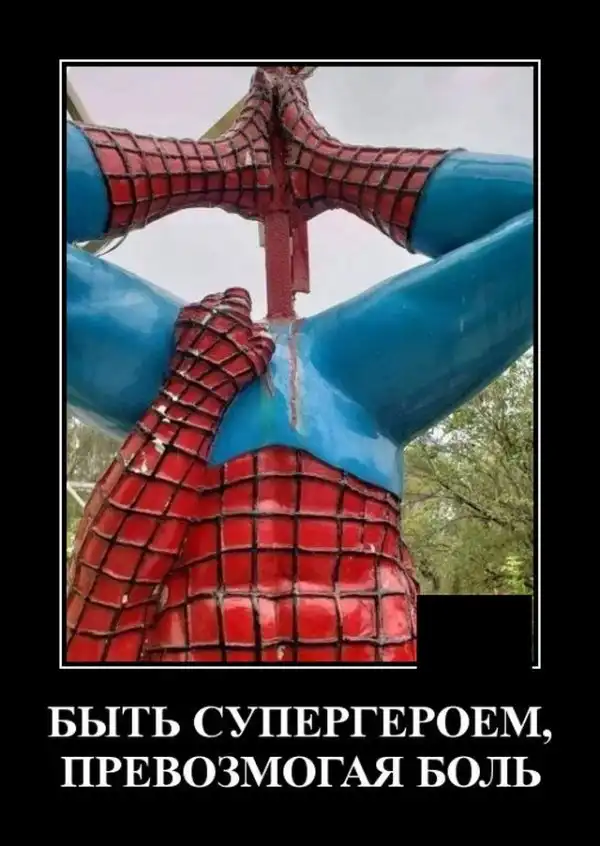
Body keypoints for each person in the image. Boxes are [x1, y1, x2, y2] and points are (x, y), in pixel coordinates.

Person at [65, 67, 533, 663]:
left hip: (204, 399)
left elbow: (94, 626)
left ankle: (232, 168)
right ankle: (317, 167)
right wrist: (336, 169)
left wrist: (190, 401)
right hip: (348, 413)